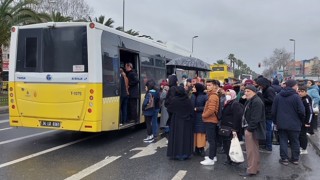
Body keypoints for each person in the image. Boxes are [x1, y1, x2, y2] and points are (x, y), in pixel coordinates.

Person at [272, 79, 305, 166]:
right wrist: (301, 120)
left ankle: (284, 159)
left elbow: (273, 111)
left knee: (283, 141)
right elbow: (301, 111)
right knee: (295, 141)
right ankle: (295, 159)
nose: (297, 87)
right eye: (296, 85)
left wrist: (275, 121)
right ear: (293, 86)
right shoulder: (296, 97)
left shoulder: (278, 96)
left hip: (281, 123)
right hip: (295, 124)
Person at [240, 85, 266, 177]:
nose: (246, 93)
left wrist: (249, 129)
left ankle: (251, 170)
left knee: (251, 151)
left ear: (254, 92)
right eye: (245, 91)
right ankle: (255, 168)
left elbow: (255, 118)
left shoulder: (256, 102)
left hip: (252, 129)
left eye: (248, 91)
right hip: (252, 128)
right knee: (254, 150)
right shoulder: (251, 100)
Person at [166, 86, 194, 160]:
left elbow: (169, 109)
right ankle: (185, 154)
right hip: (187, 121)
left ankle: (176, 154)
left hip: (176, 121)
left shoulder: (175, 100)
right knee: (185, 137)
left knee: (177, 137)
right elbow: (191, 110)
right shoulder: (187, 100)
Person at [220, 89, 244, 165]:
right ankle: (229, 159)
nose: (227, 96)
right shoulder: (226, 102)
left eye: (229, 94)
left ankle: (235, 159)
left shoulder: (235, 104)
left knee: (231, 144)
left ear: (233, 95)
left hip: (231, 127)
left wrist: (235, 129)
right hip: (225, 126)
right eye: (226, 94)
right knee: (226, 144)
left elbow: (237, 117)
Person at [200, 79, 220, 165]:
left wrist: (203, 115)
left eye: (210, 85)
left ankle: (211, 159)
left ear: (215, 86)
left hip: (210, 120)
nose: (208, 87)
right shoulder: (212, 95)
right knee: (213, 140)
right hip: (212, 120)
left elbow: (211, 110)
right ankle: (213, 156)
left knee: (211, 140)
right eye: (207, 85)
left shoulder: (213, 96)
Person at [256, 77, 276, 152]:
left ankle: (268, 146)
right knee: (267, 129)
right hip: (267, 111)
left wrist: (261, 97)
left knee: (268, 130)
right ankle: (267, 144)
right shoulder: (266, 89)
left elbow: (271, 100)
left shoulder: (269, 90)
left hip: (269, 112)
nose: (259, 86)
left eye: (260, 85)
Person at [191, 83, 208, 157]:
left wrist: (197, 109)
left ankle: (201, 148)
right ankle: (196, 148)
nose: (193, 88)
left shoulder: (204, 96)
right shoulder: (194, 95)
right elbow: (191, 105)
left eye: (194, 87)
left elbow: (207, 107)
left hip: (201, 117)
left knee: (200, 133)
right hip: (194, 117)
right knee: (195, 133)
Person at [298, 86, 313, 154]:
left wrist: (308, 122)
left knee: (303, 135)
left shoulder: (306, 100)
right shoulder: (302, 98)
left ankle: (304, 149)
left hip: (304, 121)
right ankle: (301, 147)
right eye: (299, 91)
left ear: (306, 92)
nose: (300, 93)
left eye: (302, 91)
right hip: (301, 120)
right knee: (300, 134)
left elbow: (310, 112)